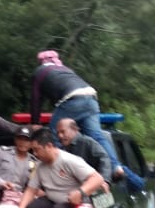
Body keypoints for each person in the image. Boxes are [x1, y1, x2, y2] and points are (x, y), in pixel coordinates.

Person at [30, 50, 123, 179]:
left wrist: (36, 123)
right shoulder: (65, 69)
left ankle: (59, 173)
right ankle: (116, 166)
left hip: (72, 99)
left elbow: (36, 99)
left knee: (54, 135)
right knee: (97, 136)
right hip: (90, 96)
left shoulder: (40, 72)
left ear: (41, 62)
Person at [15, 127, 106, 208]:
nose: (35, 154)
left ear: (49, 146)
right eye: (33, 151)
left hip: (72, 205)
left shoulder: (69, 160)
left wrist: (80, 192)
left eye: (37, 150)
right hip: (52, 202)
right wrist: (21, 207)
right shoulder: (39, 165)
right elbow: (31, 190)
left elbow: (98, 178)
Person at [56, 118, 113, 184]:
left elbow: (104, 159)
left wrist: (104, 180)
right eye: (58, 133)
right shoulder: (61, 149)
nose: (60, 135)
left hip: (93, 186)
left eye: (63, 132)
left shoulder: (87, 142)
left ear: (74, 129)